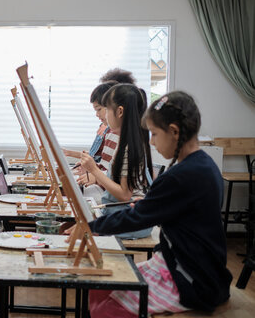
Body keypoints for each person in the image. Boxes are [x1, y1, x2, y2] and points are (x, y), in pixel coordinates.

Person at [87, 91, 232, 317]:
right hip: (198, 268)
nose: (152, 142)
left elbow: (137, 217)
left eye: (154, 134)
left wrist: (90, 227)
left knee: (108, 307)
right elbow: (180, 210)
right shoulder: (205, 165)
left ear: (174, 132)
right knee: (99, 290)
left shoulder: (182, 175)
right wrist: (151, 203)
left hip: (190, 277)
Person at [78, 83, 154, 239]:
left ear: (119, 112)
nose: (104, 116)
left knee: (82, 231)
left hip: (132, 219)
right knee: (76, 223)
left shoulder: (130, 147)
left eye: (107, 110)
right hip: (123, 213)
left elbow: (124, 195)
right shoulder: (124, 142)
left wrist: (94, 170)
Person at [63, 81, 116, 165]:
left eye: (99, 109)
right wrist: (69, 153)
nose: (97, 114)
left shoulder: (113, 133)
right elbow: (96, 157)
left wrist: (90, 168)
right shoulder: (103, 127)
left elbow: (104, 165)